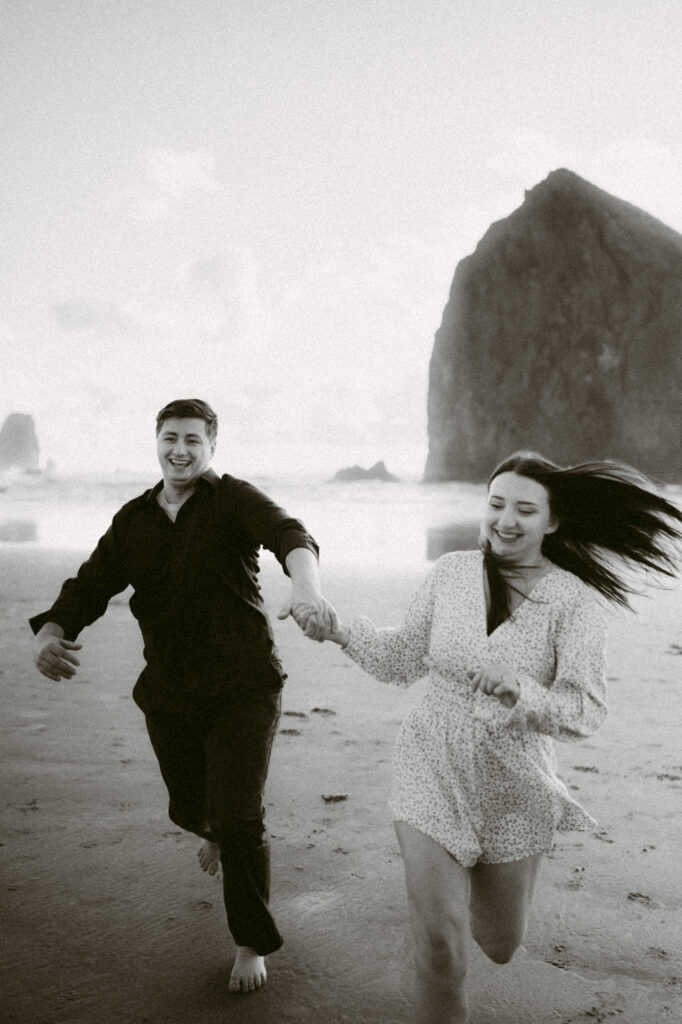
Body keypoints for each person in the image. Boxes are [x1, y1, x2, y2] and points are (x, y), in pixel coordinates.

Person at [320, 451, 682, 1024]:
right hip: (429, 765)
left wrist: (522, 691)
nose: (504, 520)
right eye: (495, 504)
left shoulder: (574, 602)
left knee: (500, 942)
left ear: (552, 522)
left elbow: (585, 711)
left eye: (524, 509)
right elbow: (401, 659)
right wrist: (339, 629)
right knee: (440, 949)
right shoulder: (450, 573)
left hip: (514, 784)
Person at [31, 398, 337, 994]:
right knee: (190, 806)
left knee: (241, 814)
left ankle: (250, 941)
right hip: (169, 691)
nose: (181, 450)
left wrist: (306, 587)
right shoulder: (134, 519)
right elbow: (91, 583)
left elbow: (290, 534)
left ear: (212, 447)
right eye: (171, 438)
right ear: (157, 441)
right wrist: (52, 631)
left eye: (194, 440)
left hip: (244, 684)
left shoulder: (234, 500)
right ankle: (210, 828)